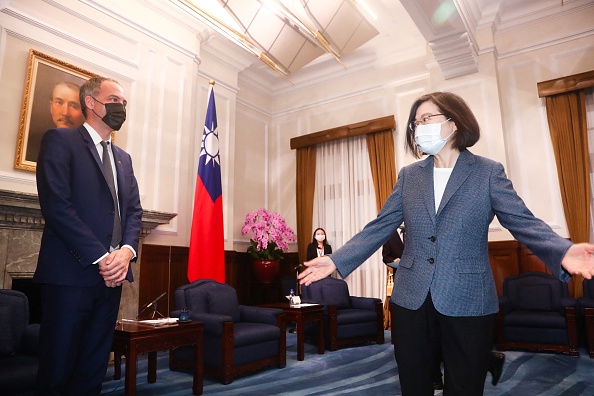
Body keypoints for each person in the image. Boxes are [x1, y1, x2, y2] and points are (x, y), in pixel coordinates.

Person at [299, 91, 594, 396]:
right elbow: (380, 226)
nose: (419, 127)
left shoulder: (487, 172)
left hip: (468, 296)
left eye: (426, 118)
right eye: (415, 123)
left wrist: (563, 250)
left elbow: (521, 220)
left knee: (464, 384)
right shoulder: (409, 176)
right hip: (411, 297)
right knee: (414, 383)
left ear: (454, 122)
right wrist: (336, 259)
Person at [34, 76, 143, 395]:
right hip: (70, 275)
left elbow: (134, 211)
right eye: (115, 100)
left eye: (124, 103)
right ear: (92, 103)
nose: (121, 107)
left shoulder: (124, 159)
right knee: (58, 367)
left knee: (94, 366)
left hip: (111, 279)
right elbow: (57, 206)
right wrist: (103, 257)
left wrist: (125, 253)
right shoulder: (59, 141)